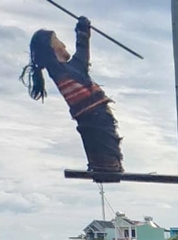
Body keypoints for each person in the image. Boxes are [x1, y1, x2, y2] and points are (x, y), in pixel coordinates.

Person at [20, 17, 124, 175]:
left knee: (106, 145)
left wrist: (83, 31)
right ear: (51, 48)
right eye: (57, 40)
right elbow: (81, 49)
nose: (63, 44)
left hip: (96, 117)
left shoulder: (70, 68)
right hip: (93, 117)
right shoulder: (57, 69)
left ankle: (108, 166)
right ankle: (106, 166)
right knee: (104, 147)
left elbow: (82, 49)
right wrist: (82, 31)